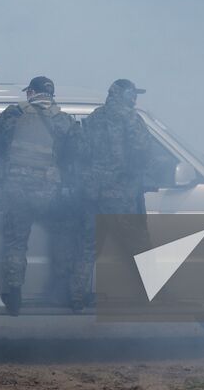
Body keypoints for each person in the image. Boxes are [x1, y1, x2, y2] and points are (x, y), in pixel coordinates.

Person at [0, 75, 78, 315]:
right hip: (47, 191)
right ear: (51, 95)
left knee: (16, 243)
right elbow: (75, 155)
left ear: (31, 93)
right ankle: (61, 288)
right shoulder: (63, 120)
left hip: (15, 190)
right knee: (64, 231)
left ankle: (14, 296)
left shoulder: (13, 115)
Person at [69, 79, 165, 310]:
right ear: (124, 95)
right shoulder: (131, 118)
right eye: (133, 94)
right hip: (121, 194)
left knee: (87, 246)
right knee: (139, 244)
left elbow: (81, 151)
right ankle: (156, 296)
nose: (135, 99)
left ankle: (76, 297)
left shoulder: (94, 118)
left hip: (93, 193)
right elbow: (143, 150)